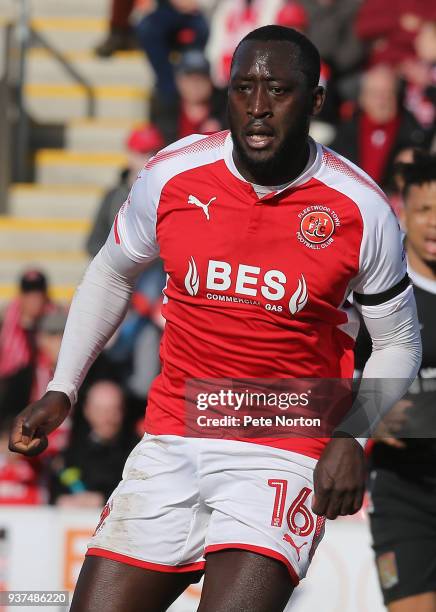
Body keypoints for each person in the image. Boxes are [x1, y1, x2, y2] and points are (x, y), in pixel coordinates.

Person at [9, 26, 421, 612]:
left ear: (317, 101)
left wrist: (354, 433)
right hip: (173, 437)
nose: (257, 107)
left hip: (284, 447)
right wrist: (62, 387)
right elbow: (112, 272)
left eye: (278, 90)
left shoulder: (361, 208)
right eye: (243, 88)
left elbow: (400, 341)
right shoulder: (173, 173)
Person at [360, 150, 436, 612]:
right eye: (426, 210)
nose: (435, 224)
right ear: (403, 208)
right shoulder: (377, 289)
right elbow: (324, 377)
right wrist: (372, 416)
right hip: (402, 491)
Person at [331, 64, 429, 189]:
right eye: (375, 94)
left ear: (398, 96)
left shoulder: (413, 134)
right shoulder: (346, 131)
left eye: (388, 93)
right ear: (363, 97)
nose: (382, 101)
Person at [52, 381, 138, 508]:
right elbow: (53, 491)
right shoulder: (70, 453)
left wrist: (103, 499)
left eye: (113, 410)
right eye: (100, 410)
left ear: (123, 411)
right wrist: (61, 500)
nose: (107, 418)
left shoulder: (138, 451)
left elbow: (140, 492)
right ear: (87, 411)